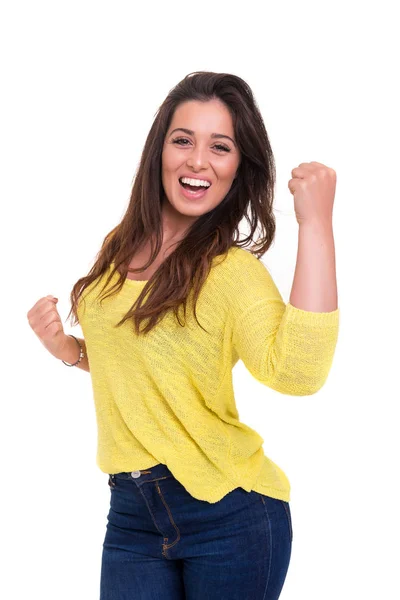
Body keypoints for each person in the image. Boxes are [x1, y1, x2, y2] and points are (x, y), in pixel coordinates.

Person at [27, 71, 339, 599]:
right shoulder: (119, 247)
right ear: (160, 152)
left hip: (230, 516)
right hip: (130, 516)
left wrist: (317, 225)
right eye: (183, 140)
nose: (198, 161)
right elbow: (148, 365)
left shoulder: (231, 272)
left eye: (220, 147)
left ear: (239, 167)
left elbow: (298, 373)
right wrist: (70, 352)